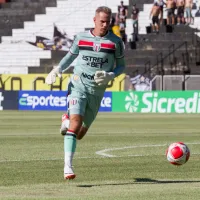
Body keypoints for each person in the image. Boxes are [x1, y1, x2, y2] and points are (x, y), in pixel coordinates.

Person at [45, 6, 125, 180]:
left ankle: (66, 119)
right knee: (75, 123)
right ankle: (68, 167)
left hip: (96, 92)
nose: (104, 25)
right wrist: (57, 69)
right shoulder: (81, 38)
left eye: (108, 21)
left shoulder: (116, 42)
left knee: (80, 133)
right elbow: (70, 56)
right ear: (94, 20)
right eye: (102, 21)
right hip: (78, 85)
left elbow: (122, 66)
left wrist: (110, 75)